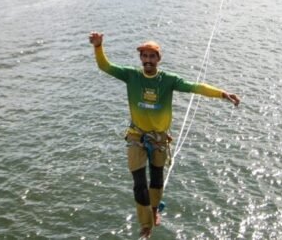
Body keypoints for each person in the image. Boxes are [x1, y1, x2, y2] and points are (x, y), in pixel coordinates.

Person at [89, 32, 240, 238]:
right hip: (136, 136)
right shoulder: (131, 75)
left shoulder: (168, 80)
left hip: (159, 138)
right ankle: (145, 225)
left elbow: (195, 87)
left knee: (157, 181)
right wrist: (98, 47)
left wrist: (222, 94)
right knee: (139, 183)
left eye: (152, 57)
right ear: (141, 58)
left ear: (159, 59)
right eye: (145, 56)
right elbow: (105, 66)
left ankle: (153, 211)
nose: (148, 60)